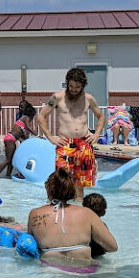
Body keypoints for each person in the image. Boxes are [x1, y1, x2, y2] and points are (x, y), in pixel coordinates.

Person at [36, 68, 106, 201]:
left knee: (80, 184)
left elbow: (101, 117)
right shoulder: (57, 98)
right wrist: (50, 137)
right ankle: (56, 210)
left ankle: (77, 211)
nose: (74, 89)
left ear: (83, 86)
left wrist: (96, 134)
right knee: (61, 181)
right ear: (67, 83)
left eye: (77, 87)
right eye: (71, 86)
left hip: (84, 144)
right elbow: (41, 117)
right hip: (64, 144)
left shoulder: (88, 99)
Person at [27, 168, 117, 262]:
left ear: (48, 189)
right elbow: (112, 247)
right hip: (84, 271)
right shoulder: (87, 213)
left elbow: (29, 244)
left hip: (50, 270)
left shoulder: (35, 214)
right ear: (72, 190)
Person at [0, 102, 37, 178]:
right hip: (10, 139)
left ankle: (8, 175)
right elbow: (29, 128)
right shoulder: (26, 117)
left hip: (10, 138)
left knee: (11, 160)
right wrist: (35, 132)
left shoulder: (23, 119)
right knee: (8, 159)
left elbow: (24, 135)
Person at [82, 193, 110, 257]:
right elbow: (108, 247)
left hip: (84, 253)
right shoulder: (102, 225)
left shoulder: (80, 224)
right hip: (98, 254)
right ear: (103, 212)